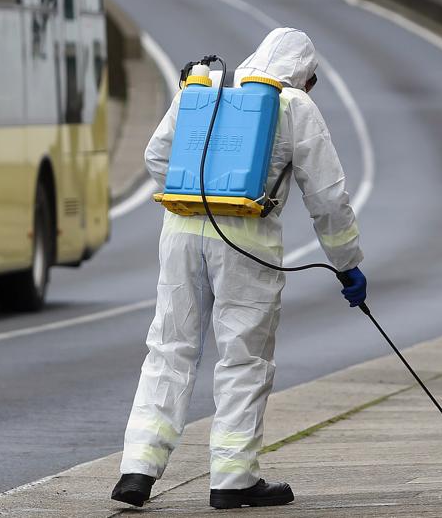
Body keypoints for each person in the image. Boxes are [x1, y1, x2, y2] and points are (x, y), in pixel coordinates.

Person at [112, 27, 366, 510]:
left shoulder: (205, 88)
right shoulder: (294, 105)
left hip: (182, 230)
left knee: (168, 348)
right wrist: (347, 264)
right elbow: (328, 198)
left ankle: (138, 468)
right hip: (247, 240)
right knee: (244, 357)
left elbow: (156, 157)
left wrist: (200, 197)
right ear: (305, 76)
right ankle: (233, 476)